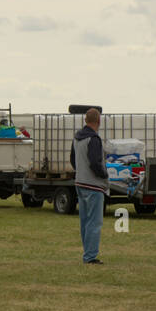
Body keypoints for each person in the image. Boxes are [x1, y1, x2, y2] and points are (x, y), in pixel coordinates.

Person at [70, 109, 107, 265]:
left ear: (86, 120)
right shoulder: (94, 139)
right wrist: (104, 174)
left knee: (85, 221)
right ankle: (90, 256)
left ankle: (87, 252)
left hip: (80, 182)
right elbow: (95, 162)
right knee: (94, 222)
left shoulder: (77, 138)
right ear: (98, 121)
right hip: (94, 185)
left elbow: (73, 160)